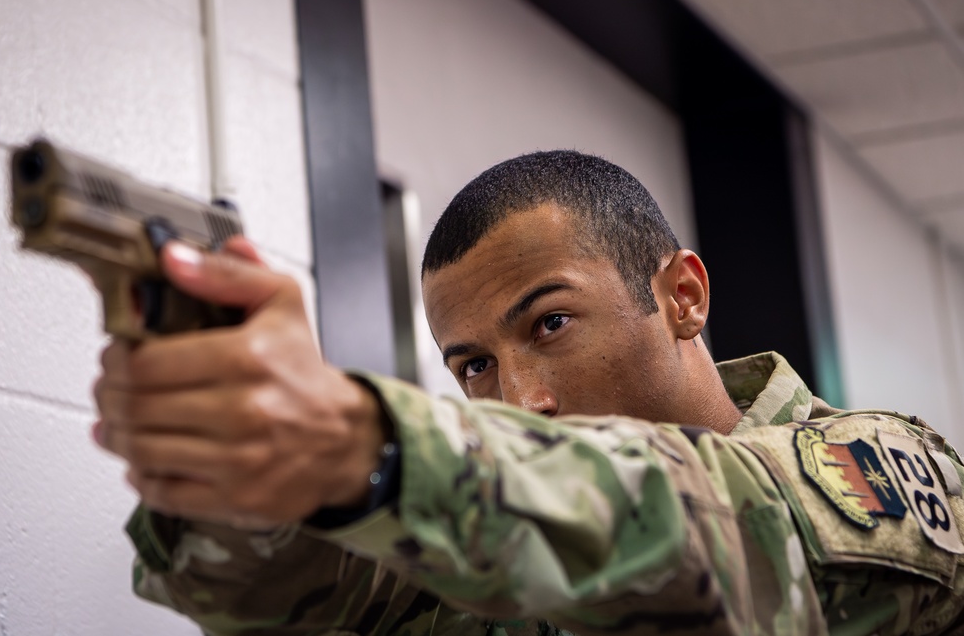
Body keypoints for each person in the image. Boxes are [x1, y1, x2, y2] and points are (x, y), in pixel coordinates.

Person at [95, 151, 964, 635]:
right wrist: (234, 468)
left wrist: (363, 440)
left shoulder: (882, 471)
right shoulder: (477, 546)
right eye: (473, 366)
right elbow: (289, 601)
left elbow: (708, 527)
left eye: (548, 324)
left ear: (682, 297)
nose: (520, 399)